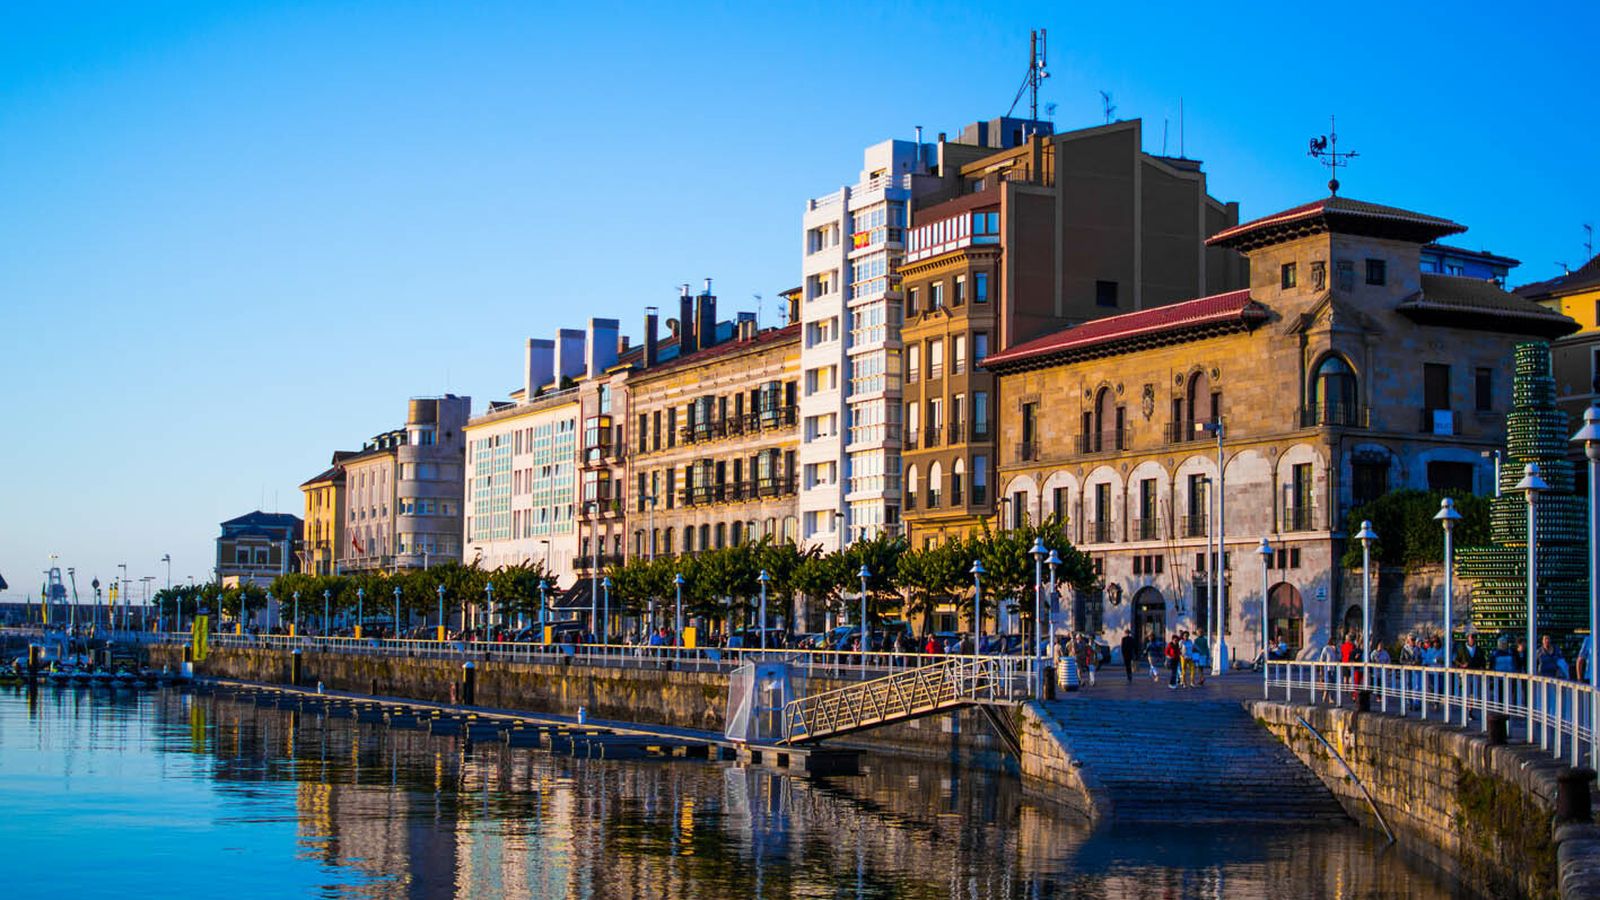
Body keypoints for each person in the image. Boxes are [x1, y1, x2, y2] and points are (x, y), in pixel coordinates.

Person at [1318, 635, 1341, 703]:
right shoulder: (1326, 648)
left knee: (1334, 684)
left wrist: (1336, 651)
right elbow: (1322, 659)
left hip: (1335, 669)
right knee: (1328, 683)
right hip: (1327, 669)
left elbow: (1339, 658)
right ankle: (1325, 697)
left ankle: (1331, 698)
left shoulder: (1337, 649)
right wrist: (1321, 670)